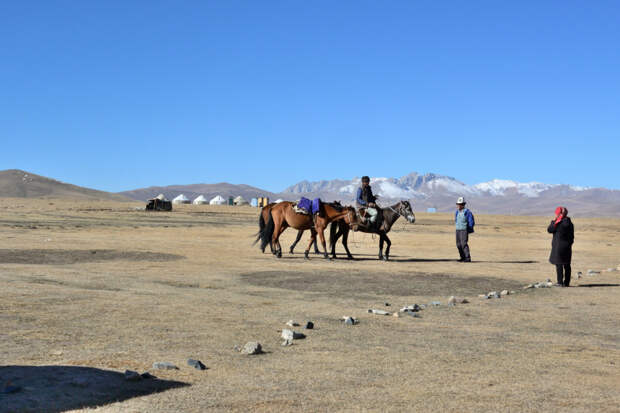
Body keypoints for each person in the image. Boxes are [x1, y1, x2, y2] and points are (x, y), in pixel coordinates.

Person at [547, 206, 574, 287]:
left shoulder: (558, 223)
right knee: (567, 264)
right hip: (567, 246)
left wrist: (554, 221)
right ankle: (566, 283)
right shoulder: (570, 223)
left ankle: (560, 282)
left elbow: (549, 230)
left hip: (559, 246)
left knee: (559, 264)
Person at [454, 197, 475, 262]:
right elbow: (456, 220)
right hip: (458, 230)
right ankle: (462, 257)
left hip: (464, 230)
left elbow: (471, 222)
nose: (458, 205)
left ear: (463, 205)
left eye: (460, 204)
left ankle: (467, 258)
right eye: (458, 204)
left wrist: (468, 229)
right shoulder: (457, 212)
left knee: (463, 244)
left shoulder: (467, 212)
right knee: (458, 244)